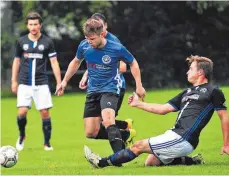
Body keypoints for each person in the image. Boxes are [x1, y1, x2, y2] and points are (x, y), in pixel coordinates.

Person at [84, 55, 229, 168]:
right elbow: (163, 109)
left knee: (138, 146)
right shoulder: (187, 92)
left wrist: (226, 144)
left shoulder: (213, 91)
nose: (187, 72)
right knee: (151, 162)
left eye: (191, 69)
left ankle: (100, 162)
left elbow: (224, 117)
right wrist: (138, 104)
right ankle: (192, 161)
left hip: (183, 138)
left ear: (200, 72)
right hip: (175, 134)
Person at [56, 18, 146, 153]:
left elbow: (133, 63)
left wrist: (139, 86)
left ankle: (118, 157)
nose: (89, 42)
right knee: (91, 132)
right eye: (87, 38)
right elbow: (76, 62)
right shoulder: (84, 46)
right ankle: (126, 135)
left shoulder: (116, 47)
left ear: (102, 34)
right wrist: (64, 81)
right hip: (93, 91)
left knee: (108, 120)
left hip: (110, 89)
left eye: (92, 39)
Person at [79, 13, 135, 146]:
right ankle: (126, 128)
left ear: (105, 26)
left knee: (107, 121)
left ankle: (119, 155)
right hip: (96, 88)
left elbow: (122, 66)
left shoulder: (113, 42)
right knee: (94, 128)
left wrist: (104, 72)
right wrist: (87, 74)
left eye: (100, 26)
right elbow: (94, 61)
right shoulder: (90, 42)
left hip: (115, 86)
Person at [11, 12, 61, 151]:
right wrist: (13, 81)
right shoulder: (21, 42)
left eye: (36, 24)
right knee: (21, 112)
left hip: (41, 83)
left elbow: (54, 62)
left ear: (40, 25)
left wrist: (59, 82)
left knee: (45, 112)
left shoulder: (47, 42)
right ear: (27, 25)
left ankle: (47, 143)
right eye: (31, 24)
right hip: (24, 83)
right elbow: (16, 61)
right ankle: (22, 136)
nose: (33, 27)